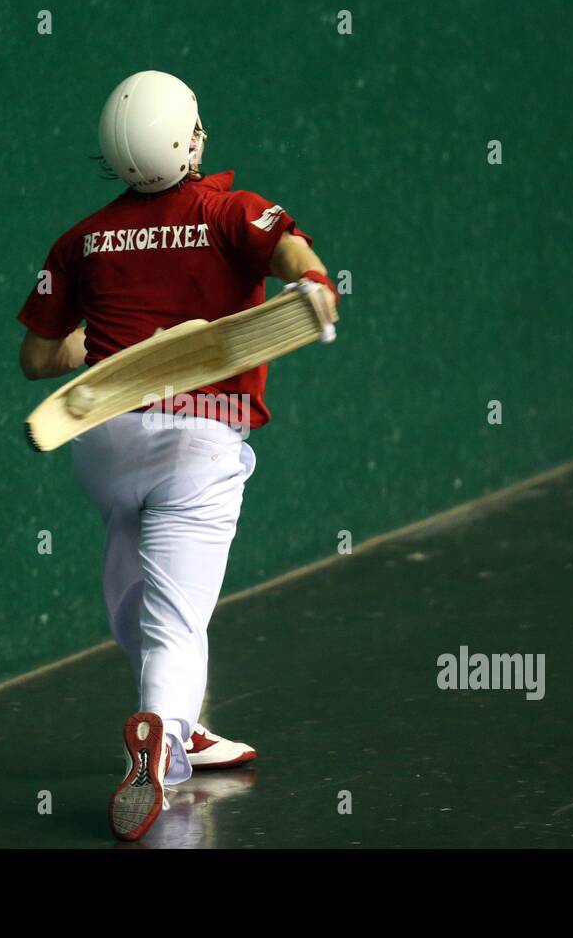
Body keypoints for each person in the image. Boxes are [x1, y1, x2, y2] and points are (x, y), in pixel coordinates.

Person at [17, 70, 337, 841]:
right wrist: (316, 283)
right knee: (176, 620)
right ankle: (158, 740)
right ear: (192, 139)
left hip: (106, 441)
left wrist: (102, 343)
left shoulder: (83, 238)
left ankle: (181, 726)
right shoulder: (229, 209)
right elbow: (286, 246)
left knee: (130, 582)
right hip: (202, 431)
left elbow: (38, 357)